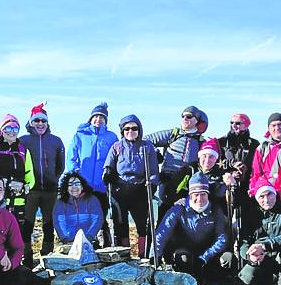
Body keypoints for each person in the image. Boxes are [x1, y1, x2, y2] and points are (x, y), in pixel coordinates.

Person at [155, 173, 233, 285]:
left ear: (208, 195)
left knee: (227, 258)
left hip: (206, 252)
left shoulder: (215, 210)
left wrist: (204, 257)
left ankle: (216, 284)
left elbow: (222, 239)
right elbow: (161, 234)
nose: (200, 198)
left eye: (203, 194)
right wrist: (155, 256)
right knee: (183, 259)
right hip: (183, 250)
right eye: (196, 194)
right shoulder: (178, 209)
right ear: (190, 195)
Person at [103, 114, 159, 255]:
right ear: (122, 131)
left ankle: (143, 254)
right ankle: (124, 254)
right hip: (120, 189)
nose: (130, 131)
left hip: (140, 189)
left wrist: (152, 184)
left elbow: (153, 170)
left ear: (139, 130)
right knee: (120, 224)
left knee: (142, 225)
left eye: (134, 128)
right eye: (126, 129)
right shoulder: (117, 147)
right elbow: (108, 164)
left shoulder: (147, 147)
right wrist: (107, 172)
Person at [66, 102, 118, 247]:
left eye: (102, 117)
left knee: (100, 214)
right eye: (95, 117)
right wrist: (74, 172)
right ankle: (86, 243)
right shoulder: (80, 135)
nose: (98, 120)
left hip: (102, 185)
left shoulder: (111, 137)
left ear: (105, 121)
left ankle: (105, 242)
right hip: (83, 184)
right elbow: (72, 155)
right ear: (90, 118)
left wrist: (112, 174)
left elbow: (116, 157)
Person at [144, 106, 209, 221]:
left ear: (197, 121)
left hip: (187, 182)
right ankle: (159, 236)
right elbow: (146, 140)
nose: (185, 118)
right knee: (164, 211)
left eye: (189, 116)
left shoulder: (201, 141)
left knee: (183, 213)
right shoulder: (172, 134)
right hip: (167, 179)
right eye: (183, 116)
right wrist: (155, 153)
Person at [19, 103, 65, 264]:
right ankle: (27, 255)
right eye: (36, 121)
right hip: (30, 189)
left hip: (50, 189)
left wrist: (54, 178)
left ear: (47, 123)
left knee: (48, 222)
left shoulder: (56, 141)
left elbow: (61, 165)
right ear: (31, 122)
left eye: (43, 121)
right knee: (27, 223)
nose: (40, 124)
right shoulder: (23, 141)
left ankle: (47, 254)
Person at [0, 114, 35, 243]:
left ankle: (16, 259)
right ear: (2, 130)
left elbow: (30, 175)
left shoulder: (23, 151)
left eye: (15, 129)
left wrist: (26, 186)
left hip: (18, 200)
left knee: (16, 232)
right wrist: (2, 184)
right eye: (8, 128)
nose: (11, 132)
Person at [237, 183, 281, 285]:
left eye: (269, 194)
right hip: (259, 257)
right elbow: (243, 241)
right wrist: (249, 256)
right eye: (261, 196)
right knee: (247, 279)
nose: (266, 199)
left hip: (280, 255)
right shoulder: (251, 214)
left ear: (275, 194)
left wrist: (264, 246)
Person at [164, 137, 229, 208]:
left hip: (209, 211)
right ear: (199, 157)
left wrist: (232, 185)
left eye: (211, 157)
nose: (207, 160)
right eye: (204, 156)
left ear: (215, 159)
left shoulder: (220, 175)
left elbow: (224, 201)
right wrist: (176, 200)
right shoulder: (188, 170)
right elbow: (171, 187)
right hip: (186, 208)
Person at [218, 112, 260, 218]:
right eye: (231, 122)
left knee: (246, 216)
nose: (234, 125)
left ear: (246, 125)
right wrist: (230, 170)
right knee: (225, 216)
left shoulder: (254, 144)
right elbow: (215, 163)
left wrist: (245, 171)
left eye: (238, 123)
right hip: (226, 185)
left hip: (245, 186)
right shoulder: (221, 142)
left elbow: (257, 165)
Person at [53, 171, 104, 244]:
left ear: (82, 186)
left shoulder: (92, 200)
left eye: (77, 184)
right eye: (70, 185)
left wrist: (89, 237)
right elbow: (59, 222)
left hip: (89, 241)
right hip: (68, 241)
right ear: (66, 188)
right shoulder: (61, 202)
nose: (74, 187)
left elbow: (97, 220)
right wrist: (65, 239)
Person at [249, 112, 281, 196]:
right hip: (269, 193)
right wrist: (254, 189)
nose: (277, 128)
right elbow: (256, 173)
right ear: (269, 129)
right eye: (273, 125)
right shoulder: (262, 148)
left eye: (279, 124)